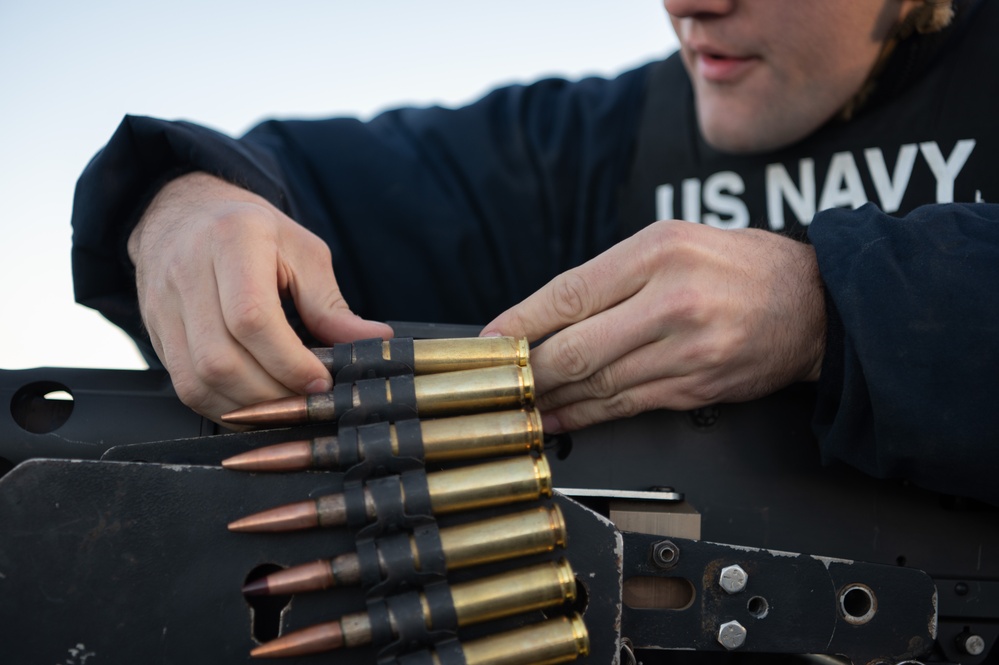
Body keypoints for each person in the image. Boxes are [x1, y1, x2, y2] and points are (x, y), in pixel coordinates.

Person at [70, 0, 999, 505]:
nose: (691, 6)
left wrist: (818, 303)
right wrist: (183, 202)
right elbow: (321, 179)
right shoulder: (599, 140)